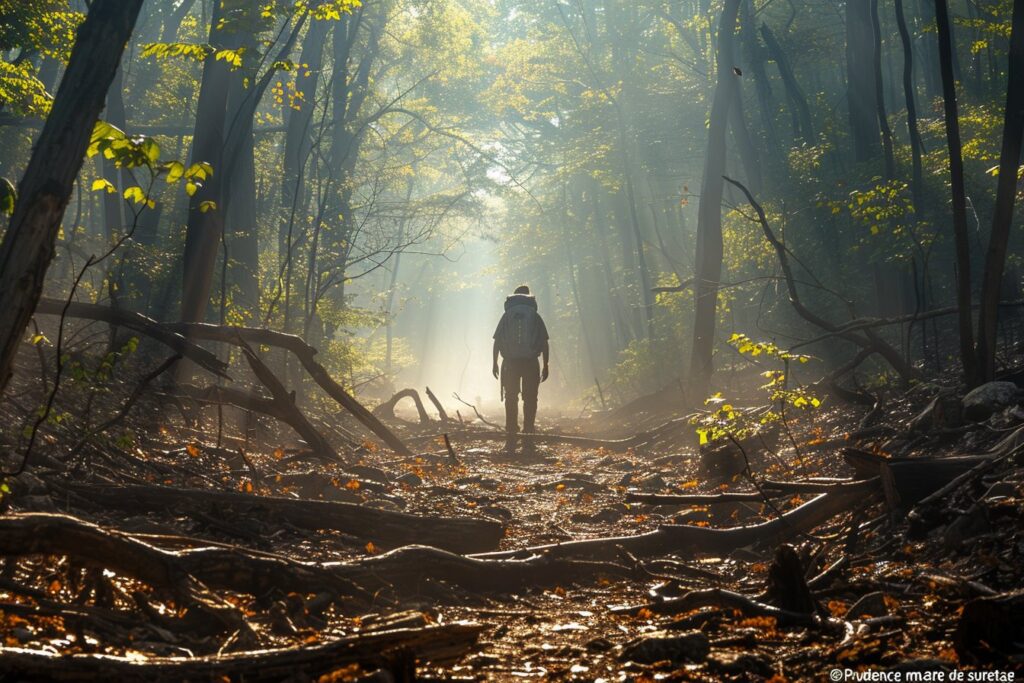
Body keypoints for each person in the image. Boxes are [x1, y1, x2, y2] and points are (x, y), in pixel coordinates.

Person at [492, 285, 550, 452]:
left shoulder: (507, 315)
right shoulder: (535, 316)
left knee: (511, 399)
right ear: (530, 297)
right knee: (530, 400)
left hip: (510, 363)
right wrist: (546, 365)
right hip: (531, 363)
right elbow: (544, 342)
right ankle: (528, 440)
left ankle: (510, 440)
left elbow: (497, 340)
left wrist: (494, 362)